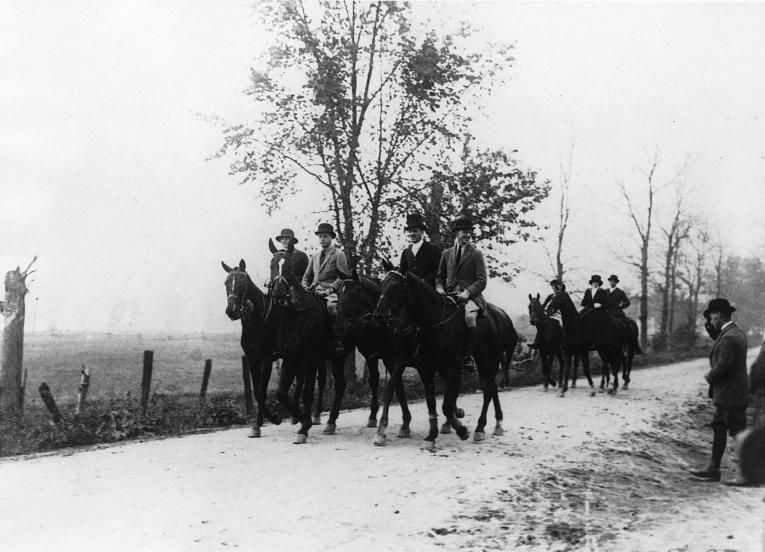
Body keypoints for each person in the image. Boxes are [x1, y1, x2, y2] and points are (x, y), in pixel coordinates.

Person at [689, 298, 749, 483]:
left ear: (719, 315)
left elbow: (723, 365)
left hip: (730, 394)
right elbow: (723, 347)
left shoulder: (729, 338)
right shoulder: (734, 332)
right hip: (732, 393)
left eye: (712, 317)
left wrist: (708, 378)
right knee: (720, 429)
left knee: (736, 432)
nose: (711, 320)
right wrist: (714, 333)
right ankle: (713, 469)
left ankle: (746, 474)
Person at [436, 214, 487, 372]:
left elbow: (481, 280)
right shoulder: (446, 253)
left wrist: (467, 292)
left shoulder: (476, 254)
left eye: (469, 232)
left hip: (470, 297)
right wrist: (440, 289)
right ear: (456, 233)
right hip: (449, 295)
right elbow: (439, 277)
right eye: (463, 232)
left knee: (469, 317)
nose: (467, 235)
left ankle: (469, 356)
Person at [301, 223, 349, 356]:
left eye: (325, 236)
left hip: (330, 292)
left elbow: (342, 277)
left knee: (331, 308)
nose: (322, 239)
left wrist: (329, 290)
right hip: (314, 291)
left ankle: (336, 341)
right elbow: (306, 276)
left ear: (331, 238)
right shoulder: (315, 256)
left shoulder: (339, 254)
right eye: (320, 236)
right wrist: (305, 288)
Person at [399, 213, 441, 288]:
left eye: (415, 231)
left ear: (422, 232)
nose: (412, 234)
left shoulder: (433, 249)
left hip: (428, 288)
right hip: (410, 289)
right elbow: (402, 271)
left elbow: (438, 270)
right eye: (410, 231)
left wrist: (424, 281)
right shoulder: (406, 252)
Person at [605, 274, 642, 354]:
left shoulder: (620, 292)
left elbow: (627, 302)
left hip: (617, 313)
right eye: (611, 281)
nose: (612, 283)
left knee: (626, 325)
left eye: (614, 281)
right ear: (609, 282)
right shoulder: (605, 292)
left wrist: (622, 305)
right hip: (607, 314)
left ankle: (631, 343)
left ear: (616, 283)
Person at [528, 279, 562, 350]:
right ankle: (537, 342)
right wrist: (540, 310)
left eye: (556, 285)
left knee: (559, 324)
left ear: (559, 286)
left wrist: (553, 312)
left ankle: (562, 342)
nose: (554, 288)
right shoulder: (551, 296)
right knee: (540, 324)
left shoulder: (562, 296)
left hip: (559, 315)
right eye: (553, 286)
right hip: (549, 315)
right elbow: (544, 305)